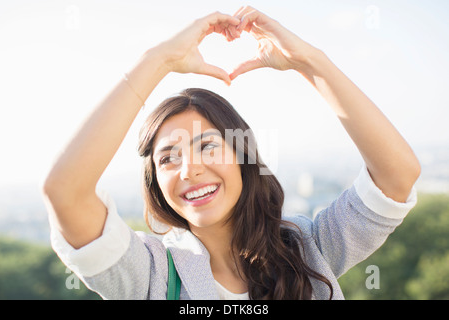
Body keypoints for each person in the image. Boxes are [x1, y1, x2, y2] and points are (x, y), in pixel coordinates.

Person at [42, 7, 420, 300]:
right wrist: (158, 61)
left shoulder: (307, 249)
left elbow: (397, 177)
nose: (189, 169)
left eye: (207, 145)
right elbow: (65, 191)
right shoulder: (151, 274)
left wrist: (310, 61)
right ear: (155, 182)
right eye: (168, 158)